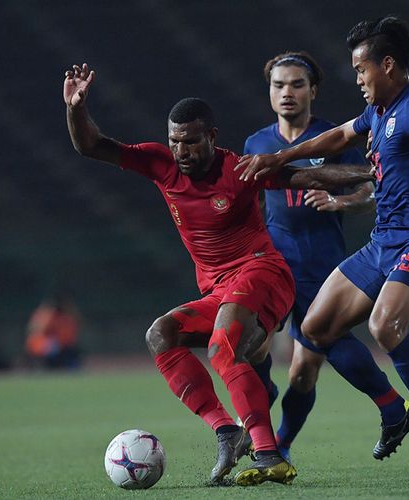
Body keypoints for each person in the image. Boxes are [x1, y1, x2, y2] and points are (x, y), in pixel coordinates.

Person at [63, 63, 375, 486]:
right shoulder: (160, 164)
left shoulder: (238, 170)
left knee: (224, 344)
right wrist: (76, 108)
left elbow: (310, 174)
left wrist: (376, 169)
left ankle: (268, 454)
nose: (181, 152)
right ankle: (227, 432)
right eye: (175, 143)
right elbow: (90, 146)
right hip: (218, 290)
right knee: (160, 335)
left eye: (191, 143)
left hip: (263, 273)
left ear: (211, 137)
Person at [236, 16, 409, 481]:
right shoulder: (379, 110)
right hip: (381, 244)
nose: (356, 79)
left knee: (385, 325)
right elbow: (337, 137)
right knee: (314, 328)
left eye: (361, 69)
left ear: (388, 65)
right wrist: (280, 157)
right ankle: (394, 412)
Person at [245, 51, 409, 463]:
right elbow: (251, 201)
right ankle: (386, 406)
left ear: (313, 90)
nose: (286, 92)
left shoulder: (334, 137)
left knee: (304, 370)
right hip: (273, 262)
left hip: (320, 263)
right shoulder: (257, 143)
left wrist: (341, 201)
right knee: (252, 343)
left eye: (296, 84)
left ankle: (282, 445)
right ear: (269, 91)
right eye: (278, 85)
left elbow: (372, 187)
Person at [25, 294, 81, 370]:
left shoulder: (66, 317)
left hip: (62, 347)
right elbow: (36, 332)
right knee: (53, 348)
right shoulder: (46, 316)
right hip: (45, 346)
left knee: (69, 354)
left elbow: (70, 336)